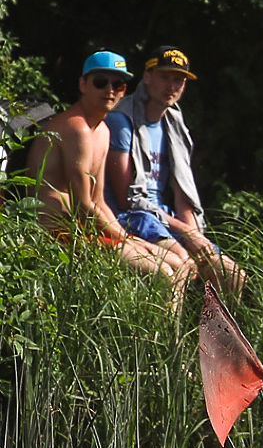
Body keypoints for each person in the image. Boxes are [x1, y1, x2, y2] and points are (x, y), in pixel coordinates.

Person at [23, 51, 187, 292]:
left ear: (124, 90)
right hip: (57, 233)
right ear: (83, 85)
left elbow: (99, 201)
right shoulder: (75, 128)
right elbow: (82, 206)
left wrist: (129, 239)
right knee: (162, 272)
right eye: (100, 82)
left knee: (178, 265)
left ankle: (167, 320)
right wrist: (128, 240)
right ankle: (150, 319)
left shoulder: (102, 132)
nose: (110, 90)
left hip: (83, 229)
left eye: (118, 84)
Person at [104, 46, 245, 295]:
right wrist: (185, 232)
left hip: (166, 218)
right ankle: (170, 322)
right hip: (135, 217)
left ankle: (214, 322)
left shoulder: (174, 123)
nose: (171, 86)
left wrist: (194, 235)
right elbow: (127, 199)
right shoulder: (121, 120)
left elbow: (183, 195)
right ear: (147, 77)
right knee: (182, 264)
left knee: (231, 274)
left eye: (179, 80)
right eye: (164, 77)